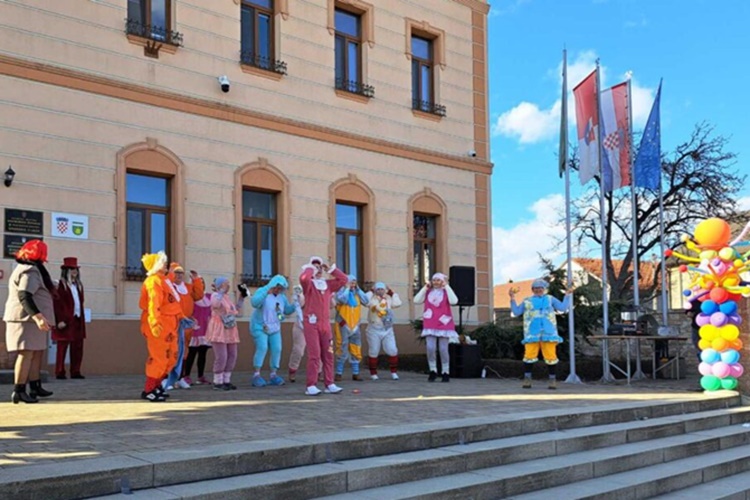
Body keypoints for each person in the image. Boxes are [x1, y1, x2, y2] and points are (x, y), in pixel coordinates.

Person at [3, 240, 56, 404]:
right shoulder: (30, 271)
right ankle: (19, 390)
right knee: (26, 354)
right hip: (26, 319)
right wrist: (38, 317)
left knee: (36, 353)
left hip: (31, 321)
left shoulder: (30, 269)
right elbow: (24, 295)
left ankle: (35, 386)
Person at [509, 278, 573, 389]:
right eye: (535, 288)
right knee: (529, 355)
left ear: (544, 289)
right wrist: (512, 298)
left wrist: (567, 295)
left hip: (549, 332)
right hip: (532, 333)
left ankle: (552, 380)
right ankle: (527, 379)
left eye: (540, 288)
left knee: (551, 356)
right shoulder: (527, 300)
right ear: (532, 289)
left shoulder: (550, 299)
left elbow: (562, 308)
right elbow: (516, 312)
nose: (538, 290)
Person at [298, 256, 348, 396]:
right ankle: (311, 385)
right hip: (311, 324)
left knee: (329, 354)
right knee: (314, 355)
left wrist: (331, 269)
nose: (318, 269)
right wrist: (310, 268)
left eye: (319, 267)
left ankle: (329, 383)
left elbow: (343, 280)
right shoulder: (309, 285)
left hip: (325, 325)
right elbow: (304, 279)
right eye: (316, 267)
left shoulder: (327, 285)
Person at [139, 251, 183, 402]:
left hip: (171, 325)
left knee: (171, 357)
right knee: (158, 357)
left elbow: (173, 302)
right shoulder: (153, 282)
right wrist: (155, 323)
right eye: (163, 262)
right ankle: (149, 389)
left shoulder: (164, 280)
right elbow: (154, 304)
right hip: (160, 324)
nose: (166, 264)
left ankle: (157, 386)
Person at [249, 275, 296, 387]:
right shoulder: (263, 291)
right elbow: (254, 303)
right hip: (260, 326)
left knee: (277, 348)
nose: (278, 290)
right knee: (262, 347)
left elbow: (286, 311)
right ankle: (256, 375)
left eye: (280, 288)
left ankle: (273, 375)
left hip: (275, 327)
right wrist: (266, 292)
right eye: (276, 287)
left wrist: (296, 304)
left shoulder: (282, 297)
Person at [164, 263, 204, 390]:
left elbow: (199, 295)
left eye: (181, 273)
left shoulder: (187, 287)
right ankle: (167, 379)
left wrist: (196, 279)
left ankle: (180, 377)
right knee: (170, 351)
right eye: (176, 272)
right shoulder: (168, 287)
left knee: (184, 352)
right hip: (172, 323)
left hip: (186, 324)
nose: (179, 275)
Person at [414, 273, 459, 382]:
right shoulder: (428, 291)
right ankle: (433, 370)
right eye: (434, 280)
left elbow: (454, 301)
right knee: (430, 347)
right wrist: (425, 288)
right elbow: (416, 300)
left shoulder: (446, 292)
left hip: (444, 322)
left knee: (443, 349)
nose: (436, 282)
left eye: (438, 280)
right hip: (430, 322)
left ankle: (445, 371)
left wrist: (447, 286)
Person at [206, 277, 247, 391]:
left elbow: (236, 311)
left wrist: (241, 298)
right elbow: (215, 305)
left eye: (228, 284)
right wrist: (220, 291)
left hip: (230, 327)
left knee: (232, 354)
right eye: (225, 284)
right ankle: (217, 381)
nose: (228, 286)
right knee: (222, 356)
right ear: (219, 285)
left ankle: (226, 380)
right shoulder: (215, 295)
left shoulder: (227, 297)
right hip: (219, 328)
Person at [52, 257, 86, 380]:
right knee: (62, 346)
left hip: (77, 319)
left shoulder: (78, 285)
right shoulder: (60, 285)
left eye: (75, 269)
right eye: (72, 269)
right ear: (66, 271)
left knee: (78, 346)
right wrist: (59, 320)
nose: (74, 272)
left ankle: (75, 371)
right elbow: (57, 304)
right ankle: (60, 372)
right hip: (65, 320)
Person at [333, 275, 368, 381]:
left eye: (354, 282)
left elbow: (366, 301)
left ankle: (355, 373)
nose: (352, 284)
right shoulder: (340, 292)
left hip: (355, 326)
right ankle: (338, 373)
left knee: (356, 348)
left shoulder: (357, 294)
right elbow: (342, 300)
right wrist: (347, 288)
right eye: (351, 282)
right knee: (341, 348)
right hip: (343, 325)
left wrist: (358, 289)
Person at [365, 282, 402, 380]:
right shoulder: (371, 299)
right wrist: (370, 291)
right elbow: (364, 300)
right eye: (378, 289)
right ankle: (373, 373)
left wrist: (392, 293)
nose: (380, 291)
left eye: (382, 289)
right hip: (373, 329)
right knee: (374, 351)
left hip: (387, 329)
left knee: (392, 350)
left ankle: (393, 372)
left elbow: (398, 303)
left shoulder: (388, 299)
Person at [183, 292, 212, 385]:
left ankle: (201, 376)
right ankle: (186, 375)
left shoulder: (209, 297)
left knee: (202, 354)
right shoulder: (190, 298)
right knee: (191, 354)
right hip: (194, 330)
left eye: (202, 283)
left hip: (205, 330)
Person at [287, 284, 306, 382]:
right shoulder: (299, 290)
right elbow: (301, 304)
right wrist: (301, 295)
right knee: (298, 350)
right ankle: (292, 370)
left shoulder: (320, 288)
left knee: (318, 350)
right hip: (300, 325)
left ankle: (318, 372)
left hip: (315, 324)